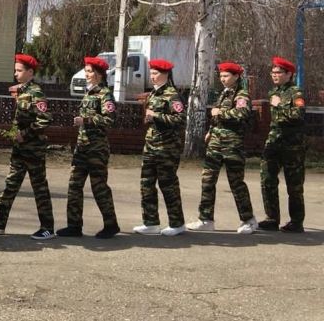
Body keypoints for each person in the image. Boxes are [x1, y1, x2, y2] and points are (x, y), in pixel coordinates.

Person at [187, 62, 258, 234]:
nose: (223, 79)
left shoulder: (241, 95)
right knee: (207, 180)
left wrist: (221, 114)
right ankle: (205, 219)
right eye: (221, 76)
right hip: (215, 144)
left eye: (226, 76)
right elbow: (216, 116)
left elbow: (242, 114)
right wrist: (211, 130)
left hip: (232, 145)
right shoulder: (224, 94)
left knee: (236, 183)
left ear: (236, 77)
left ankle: (248, 220)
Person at [0, 53, 55, 240]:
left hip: (33, 149)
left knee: (39, 188)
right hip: (20, 149)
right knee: (11, 184)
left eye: (19, 71)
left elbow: (45, 119)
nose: (16, 74)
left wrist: (24, 134)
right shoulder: (21, 91)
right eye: (15, 70)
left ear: (30, 72)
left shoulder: (36, 92)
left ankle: (47, 227)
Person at [57, 56, 120, 239]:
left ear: (99, 75)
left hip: (97, 149)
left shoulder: (104, 94)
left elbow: (110, 120)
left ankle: (111, 224)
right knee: (74, 186)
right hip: (82, 148)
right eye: (86, 71)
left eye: (90, 71)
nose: (87, 74)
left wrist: (86, 120)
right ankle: (74, 226)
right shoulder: (88, 93)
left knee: (99, 187)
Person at [133, 58, 187, 236]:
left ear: (165, 74)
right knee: (146, 184)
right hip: (151, 146)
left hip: (167, 148)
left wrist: (156, 115)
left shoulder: (172, 95)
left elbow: (180, 120)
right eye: (151, 73)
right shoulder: (154, 94)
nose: (152, 76)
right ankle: (150, 222)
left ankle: (177, 223)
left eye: (156, 73)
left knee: (168, 185)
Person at [259, 56, 307, 233]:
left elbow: (298, 116)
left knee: (294, 185)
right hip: (274, 142)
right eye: (273, 72)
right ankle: (271, 218)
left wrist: (279, 107)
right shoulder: (273, 92)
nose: (274, 75)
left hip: (292, 145)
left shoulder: (296, 93)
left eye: (278, 72)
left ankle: (296, 222)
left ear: (289, 74)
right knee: (267, 180)